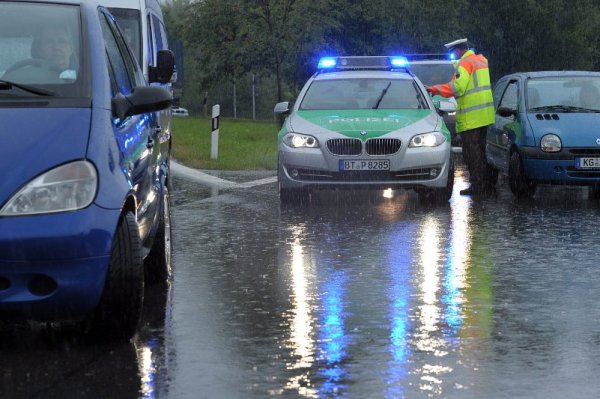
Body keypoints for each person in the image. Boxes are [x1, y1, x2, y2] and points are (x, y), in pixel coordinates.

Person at [426, 38, 496, 196]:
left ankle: (479, 187)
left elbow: (457, 87)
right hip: (484, 115)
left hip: (471, 117)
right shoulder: (481, 60)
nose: (454, 56)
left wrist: (434, 89)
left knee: (472, 154)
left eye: (454, 53)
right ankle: (487, 186)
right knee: (481, 152)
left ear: (458, 50)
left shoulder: (464, 63)